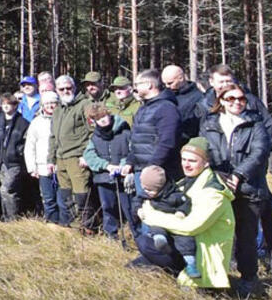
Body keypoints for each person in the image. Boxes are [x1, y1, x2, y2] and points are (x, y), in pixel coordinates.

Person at [197, 85, 272, 290]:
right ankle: (215, 278)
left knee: (246, 237)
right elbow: (204, 149)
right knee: (216, 234)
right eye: (231, 98)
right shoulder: (209, 123)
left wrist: (238, 175)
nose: (237, 102)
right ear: (221, 101)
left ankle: (248, 279)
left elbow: (259, 153)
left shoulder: (255, 123)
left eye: (242, 99)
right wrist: (215, 174)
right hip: (218, 187)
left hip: (248, 189)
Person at [136, 138, 235, 291]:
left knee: (146, 244)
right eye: (184, 159)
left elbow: (190, 227)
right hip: (186, 243)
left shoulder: (214, 193)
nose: (186, 164)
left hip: (201, 253)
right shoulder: (186, 182)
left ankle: (182, 274)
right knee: (137, 261)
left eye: (193, 161)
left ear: (206, 162)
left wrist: (151, 216)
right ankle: (169, 270)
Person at [82, 103, 133, 240]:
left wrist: (123, 165)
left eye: (104, 116)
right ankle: (111, 235)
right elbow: (89, 156)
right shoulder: (94, 137)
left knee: (129, 208)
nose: (103, 120)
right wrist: (106, 165)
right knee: (107, 208)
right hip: (104, 178)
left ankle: (137, 235)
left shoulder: (125, 132)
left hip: (123, 177)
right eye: (98, 118)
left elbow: (133, 151)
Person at [139, 165, 198, 278]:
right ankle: (161, 241)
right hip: (158, 224)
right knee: (156, 229)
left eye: (150, 190)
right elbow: (137, 200)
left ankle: (190, 264)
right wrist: (139, 209)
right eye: (145, 189)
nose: (147, 192)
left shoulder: (175, 194)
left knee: (185, 241)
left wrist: (181, 212)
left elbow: (186, 203)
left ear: (160, 187)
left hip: (174, 223)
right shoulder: (146, 194)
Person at [127, 69, 182, 184]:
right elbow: (137, 139)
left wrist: (151, 167)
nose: (134, 88)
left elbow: (167, 142)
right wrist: (130, 162)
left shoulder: (166, 108)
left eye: (137, 84)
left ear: (149, 85)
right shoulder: (143, 108)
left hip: (157, 172)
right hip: (139, 169)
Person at [51, 74, 92, 229]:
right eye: (62, 89)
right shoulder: (58, 110)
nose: (66, 91)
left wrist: (87, 155)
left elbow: (93, 132)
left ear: (74, 88)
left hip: (77, 157)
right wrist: (51, 159)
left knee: (81, 195)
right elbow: (53, 136)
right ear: (57, 90)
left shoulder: (85, 105)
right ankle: (73, 225)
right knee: (66, 195)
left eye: (69, 88)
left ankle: (87, 227)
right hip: (60, 158)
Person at [0, 93, 30, 220]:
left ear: (15, 105)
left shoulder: (23, 123)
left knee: (7, 190)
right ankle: (6, 217)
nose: (6, 107)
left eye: (10, 104)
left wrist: (18, 152)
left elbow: (26, 142)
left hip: (14, 163)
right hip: (0, 162)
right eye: (4, 104)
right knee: (5, 192)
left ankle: (13, 219)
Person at [24, 91, 59, 222]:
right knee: (48, 199)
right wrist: (32, 167)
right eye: (47, 103)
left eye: (53, 103)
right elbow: (30, 146)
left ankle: (65, 226)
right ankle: (52, 225)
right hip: (43, 167)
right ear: (42, 105)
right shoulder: (36, 122)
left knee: (63, 199)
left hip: (61, 166)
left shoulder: (62, 118)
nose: (50, 106)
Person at [162, 64, 204, 141]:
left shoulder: (198, 97)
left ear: (181, 78)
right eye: (164, 84)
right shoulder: (164, 95)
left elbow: (195, 126)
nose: (167, 86)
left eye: (170, 83)